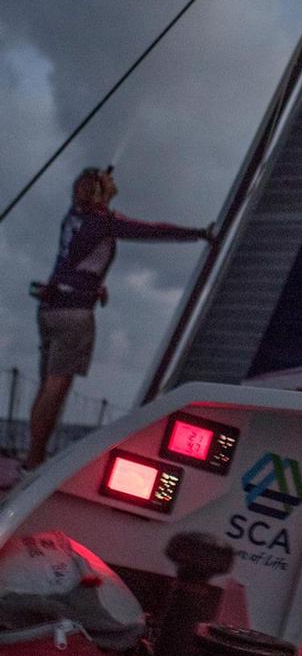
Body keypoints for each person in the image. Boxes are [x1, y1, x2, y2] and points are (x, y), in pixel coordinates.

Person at [25, 166, 214, 470]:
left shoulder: (74, 216)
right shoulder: (102, 222)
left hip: (50, 310)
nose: (114, 181)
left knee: (47, 384)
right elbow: (152, 231)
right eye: (108, 179)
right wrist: (199, 234)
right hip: (74, 315)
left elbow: (77, 258)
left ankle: (32, 457)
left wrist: (94, 286)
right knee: (57, 386)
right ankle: (35, 461)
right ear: (100, 190)